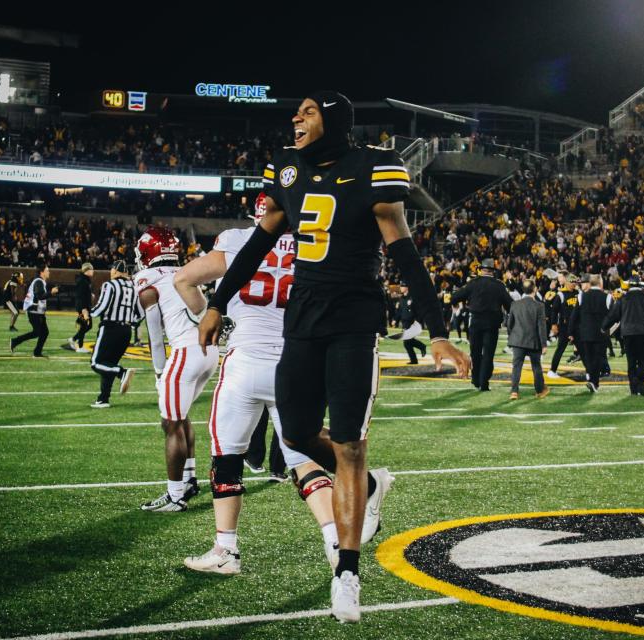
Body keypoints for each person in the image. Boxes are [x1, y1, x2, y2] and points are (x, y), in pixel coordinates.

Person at [196, 92, 470, 622]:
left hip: (352, 322)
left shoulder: (374, 167)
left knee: (347, 443)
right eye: (296, 112)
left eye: (308, 111)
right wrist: (216, 302)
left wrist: (436, 330)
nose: (296, 118)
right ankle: (369, 486)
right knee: (296, 436)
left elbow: (405, 254)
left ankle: (347, 571)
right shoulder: (288, 169)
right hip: (303, 321)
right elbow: (256, 245)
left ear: (335, 120)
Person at [174, 199, 341, 573]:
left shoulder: (237, 240)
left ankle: (226, 550)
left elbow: (182, 278)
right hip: (295, 364)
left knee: (227, 458)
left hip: (245, 361)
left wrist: (209, 315)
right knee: (305, 459)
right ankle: (334, 541)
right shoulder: (315, 245)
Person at [134, 227, 217, 512]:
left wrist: (159, 372)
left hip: (185, 351)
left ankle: (175, 495)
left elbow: (155, 336)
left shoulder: (148, 281)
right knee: (179, 417)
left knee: (170, 423)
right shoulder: (184, 270)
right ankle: (190, 479)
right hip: (209, 352)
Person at [450, 258, 511, 391]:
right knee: (488, 354)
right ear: (493, 271)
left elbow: (455, 297)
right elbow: (510, 305)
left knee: (475, 352)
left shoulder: (473, 283)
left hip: (476, 322)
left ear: (481, 269)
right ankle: (484, 383)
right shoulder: (499, 285)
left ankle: (476, 379)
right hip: (492, 324)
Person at [88, 260, 140, 408]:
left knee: (96, 363)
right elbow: (140, 312)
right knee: (109, 364)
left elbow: (101, 307)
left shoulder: (110, 285)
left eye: (112, 270)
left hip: (110, 328)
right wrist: (131, 322)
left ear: (117, 272)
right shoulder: (133, 287)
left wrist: (88, 314)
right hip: (126, 331)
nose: (111, 272)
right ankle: (103, 398)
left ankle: (121, 373)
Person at [603, 279, 644, 395]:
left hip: (628, 333)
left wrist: (604, 327)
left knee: (631, 361)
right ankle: (640, 380)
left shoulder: (623, 299)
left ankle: (634, 388)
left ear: (629, 286)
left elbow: (613, 315)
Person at [507, 280, 549, 400]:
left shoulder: (515, 304)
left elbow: (509, 324)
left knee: (516, 367)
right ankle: (539, 390)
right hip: (533, 341)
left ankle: (514, 392)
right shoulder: (539, 306)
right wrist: (544, 344)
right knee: (536, 366)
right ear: (534, 289)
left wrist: (513, 337)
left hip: (518, 341)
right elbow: (541, 327)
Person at [571, 274, 612, 392]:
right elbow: (613, 316)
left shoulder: (581, 297)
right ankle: (594, 382)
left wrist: (571, 331)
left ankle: (592, 381)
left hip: (585, 333)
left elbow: (574, 316)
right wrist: (607, 329)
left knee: (589, 358)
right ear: (600, 283)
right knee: (598, 358)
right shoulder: (607, 297)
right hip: (601, 333)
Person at [9, 264, 58, 359]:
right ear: (42, 272)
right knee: (39, 332)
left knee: (42, 332)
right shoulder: (38, 282)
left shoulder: (40, 281)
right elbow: (39, 296)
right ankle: (34, 351)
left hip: (38, 311)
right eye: (47, 270)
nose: (49, 272)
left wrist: (52, 292)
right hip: (33, 311)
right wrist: (51, 292)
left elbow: (41, 296)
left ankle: (34, 351)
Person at [395, 283, 427, 364]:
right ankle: (420, 349)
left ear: (407, 288)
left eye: (402, 286)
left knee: (406, 342)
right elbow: (400, 311)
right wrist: (395, 319)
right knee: (408, 342)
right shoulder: (401, 298)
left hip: (411, 322)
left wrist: (417, 321)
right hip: (404, 322)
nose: (401, 288)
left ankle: (415, 357)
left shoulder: (413, 298)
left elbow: (419, 311)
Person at [69, 263, 94, 353]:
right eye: (91, 269)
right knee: (84, 326)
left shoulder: (85, 280)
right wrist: (83, 309)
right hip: (83, 307)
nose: (93, 271)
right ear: (86, 271)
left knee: (88, 325)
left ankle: (73, 339)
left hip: (85, 306)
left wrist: (90, 295)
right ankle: (80, 346)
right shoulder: (82, 281)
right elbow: (79, 296)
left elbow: (83, 293)